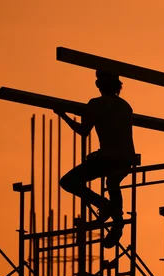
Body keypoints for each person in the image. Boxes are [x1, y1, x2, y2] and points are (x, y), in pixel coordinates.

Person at [55, 70, 138, 248]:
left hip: (109, 158)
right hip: (126, 157)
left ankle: (103, 204)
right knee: (113, 183)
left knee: (68, 182)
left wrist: (63, 116)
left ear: (99, 85)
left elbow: (84, 132)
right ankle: (117, 223)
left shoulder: (96, 104)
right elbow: (116, 135)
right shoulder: (125, 105)